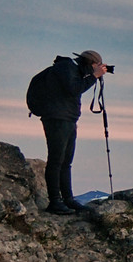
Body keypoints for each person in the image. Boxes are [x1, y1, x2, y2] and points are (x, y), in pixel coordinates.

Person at [25, 50, 107, 215]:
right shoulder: (66, 68)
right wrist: (94, 77)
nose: (97, 69)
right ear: (91, 63)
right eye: (97, 66)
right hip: (56, 119)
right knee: (56, 160)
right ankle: (55, 201)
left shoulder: (74, 71)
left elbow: (74, 89)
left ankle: (68, 199)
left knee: (66, 161)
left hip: (68, 119)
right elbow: (74, 89)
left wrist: (93, 76)